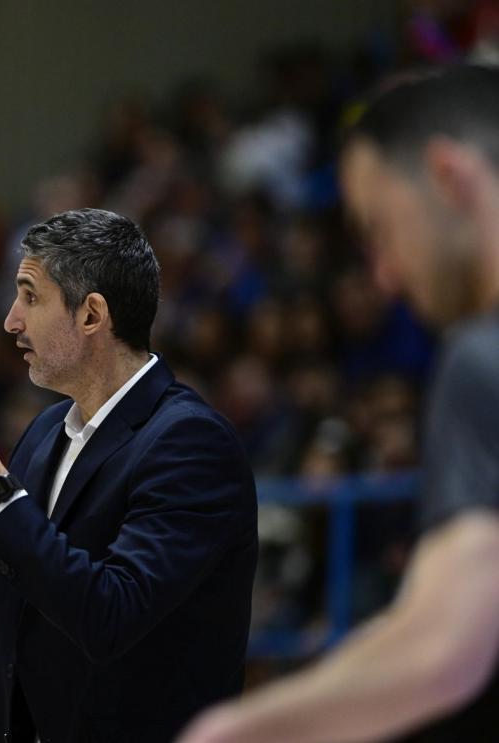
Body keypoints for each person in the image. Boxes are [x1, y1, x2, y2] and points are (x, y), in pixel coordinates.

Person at [178, 64, 499, 743]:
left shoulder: (480, 356)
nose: (384, 274)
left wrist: (231, 731)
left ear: (447, 176)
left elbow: (441, 647)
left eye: (379, 229)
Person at [0, 208, 258, 743]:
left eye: (30, 297)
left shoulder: (191, 443)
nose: (11, 320)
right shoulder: (44, 434)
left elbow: (110, 616)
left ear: (91, 315)